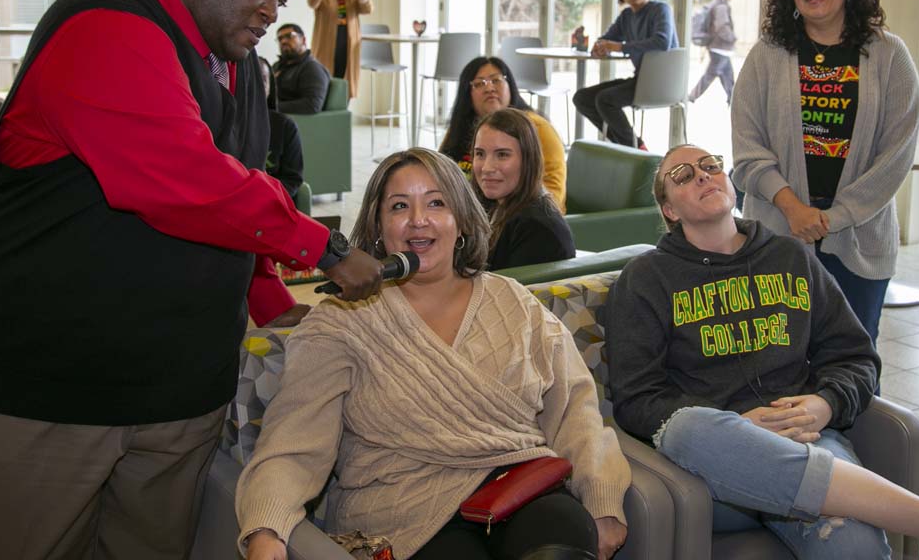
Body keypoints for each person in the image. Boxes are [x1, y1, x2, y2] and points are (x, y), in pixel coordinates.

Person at [0, 0, 384, 560]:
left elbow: (239, 198)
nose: (273, 10)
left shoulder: (245, 70)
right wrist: (327, 248)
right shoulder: (108, 23)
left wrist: (274, 306)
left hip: (175, 393)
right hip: (37, 387)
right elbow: (184, 179)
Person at [606, 144, 919, 560]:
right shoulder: (646, 279)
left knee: (856, 549)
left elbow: (856, 357)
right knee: (687, 428)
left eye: (710, 166)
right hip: (713, 471)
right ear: (668, 209)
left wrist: (825, 404)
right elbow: (636, 398)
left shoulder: (791, 257)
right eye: (684, 175)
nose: (704, 176)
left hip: (810, 441)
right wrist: (736, 428)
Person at [236, 148, 630, 560]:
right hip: (402, 508)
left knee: (561, 545)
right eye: (400, 206)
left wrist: (603, 501)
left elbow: (576, 413)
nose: (418, 219)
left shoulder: (516, 303)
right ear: (378, 228)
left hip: (520, 485)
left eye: (436, 203)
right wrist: (267, 529)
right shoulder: (339, 323)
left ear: (460, 222)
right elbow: (294, 443)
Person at [731, 0, 919, 343]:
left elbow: (896, 153)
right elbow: (747, 149)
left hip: (859, 238)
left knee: (852, 357)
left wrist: (834, 218)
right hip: (779, 232)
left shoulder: (889, 54)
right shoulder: (766, 56)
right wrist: (794, 209)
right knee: (779, 356)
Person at [439, 56, 567, 211]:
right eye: (479, 84)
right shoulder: (461, 128)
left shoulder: (537, 127)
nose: (489, 88)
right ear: (467, 95)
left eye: (496, 80)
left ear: (510, 85)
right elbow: (441, 176)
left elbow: (554, 191)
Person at [573, 0, 678, 149]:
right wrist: (599, 47)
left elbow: (662, 42)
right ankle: (630, 146)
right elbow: (607, 38)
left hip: (662, 82)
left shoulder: (660, 9)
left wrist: (620, 47)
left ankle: (635, 148)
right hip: (640, 80)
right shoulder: (627, 16)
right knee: (582, 98)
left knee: (605, 100)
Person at [471, 108, 575, 270]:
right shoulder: (494, 205)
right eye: (480, 154)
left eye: (502, 155)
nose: (486, 167)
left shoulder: (537, 229)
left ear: (528, 160)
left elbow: (508, 293)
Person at [308, 0, 373, 98]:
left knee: (346, 83)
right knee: (324, 83)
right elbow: (313, 2)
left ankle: (342, 116)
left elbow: (368, 8)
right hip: (326, 45)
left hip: (349, 45)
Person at [258, 55, 305, 205]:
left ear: (270, 88)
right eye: (251, 78)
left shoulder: (285, 126)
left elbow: (293, 179)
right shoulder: (224, 124)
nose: (258, 85)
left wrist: (266, 197)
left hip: (273, 205)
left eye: (263, 80)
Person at [687, 0, 738, 105]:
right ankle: (691, 96)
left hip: (721, 48)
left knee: (727, 75)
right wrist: (732, 38)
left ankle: (734, 99)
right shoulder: (721, 7)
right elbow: (721, 26)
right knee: (711, 75)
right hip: (720, 47)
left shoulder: (720, 4)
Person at [273, 22, 330, 114]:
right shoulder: (277, 66)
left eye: (289, 36)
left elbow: (311, 105)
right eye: (280, 39)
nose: (283, 41)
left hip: (289, 121)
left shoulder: (311, 68)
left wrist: (269, 106)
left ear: (303, 40)